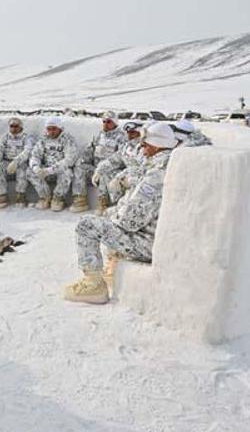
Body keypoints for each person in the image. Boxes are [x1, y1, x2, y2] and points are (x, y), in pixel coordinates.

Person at [63, 122, 177, 304]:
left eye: (145, 144)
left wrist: (114, 215)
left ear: (156, 146)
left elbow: (129, 222)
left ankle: (93, 286)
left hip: (147, 242)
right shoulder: (161, 164)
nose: (141, 147)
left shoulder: (157, 175)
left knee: (87, 225)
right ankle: (112, 267)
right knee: (108, 215)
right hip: (149, 233)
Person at [28, 116, 79, 211]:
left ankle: (58, 198)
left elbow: (70, 159)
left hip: (58, 170)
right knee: (30, 171)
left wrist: (51, 170)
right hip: (45, 169)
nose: (51, 131)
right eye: (49, 129)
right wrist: (36, 167)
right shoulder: (43, 140)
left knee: (67, 173)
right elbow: (34, 155)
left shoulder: (68, 140)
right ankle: (45, 196)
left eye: (54, 129)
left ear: (59, 128)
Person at [81, 111, 127, 215]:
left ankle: (104, 202)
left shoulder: (121, 137)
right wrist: (83, 161)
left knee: (104, 173)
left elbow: (120, 158)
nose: (105, 124)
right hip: (95, 168)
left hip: (111, 169)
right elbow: (90, 149)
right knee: (79, 168)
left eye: (109, 121)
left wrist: (103, 168)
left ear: (115, 123)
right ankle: (79, 200)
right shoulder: (99, 135)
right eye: (104, 121)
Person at [0, 117, 35, 209]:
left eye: (16, 126)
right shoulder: (5, 137)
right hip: (6, 161)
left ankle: (20, 196)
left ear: (20, 127)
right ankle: (1, 196)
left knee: (23, 170)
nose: (14, 128)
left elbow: (28, 151)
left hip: (20, 162)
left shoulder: (27, 138)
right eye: (11, 126)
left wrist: (16, 161)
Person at [105, 121, 146, 205]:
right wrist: (99, 170)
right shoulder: (127, 146)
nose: (129, 135)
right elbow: (114, 159)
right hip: (128, 174)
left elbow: (142, 169)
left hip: (140, 179)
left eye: (132, 132)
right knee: (109, 175)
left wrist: (120, 177)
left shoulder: (145, 148)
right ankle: (116, 205)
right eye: (128, 133)